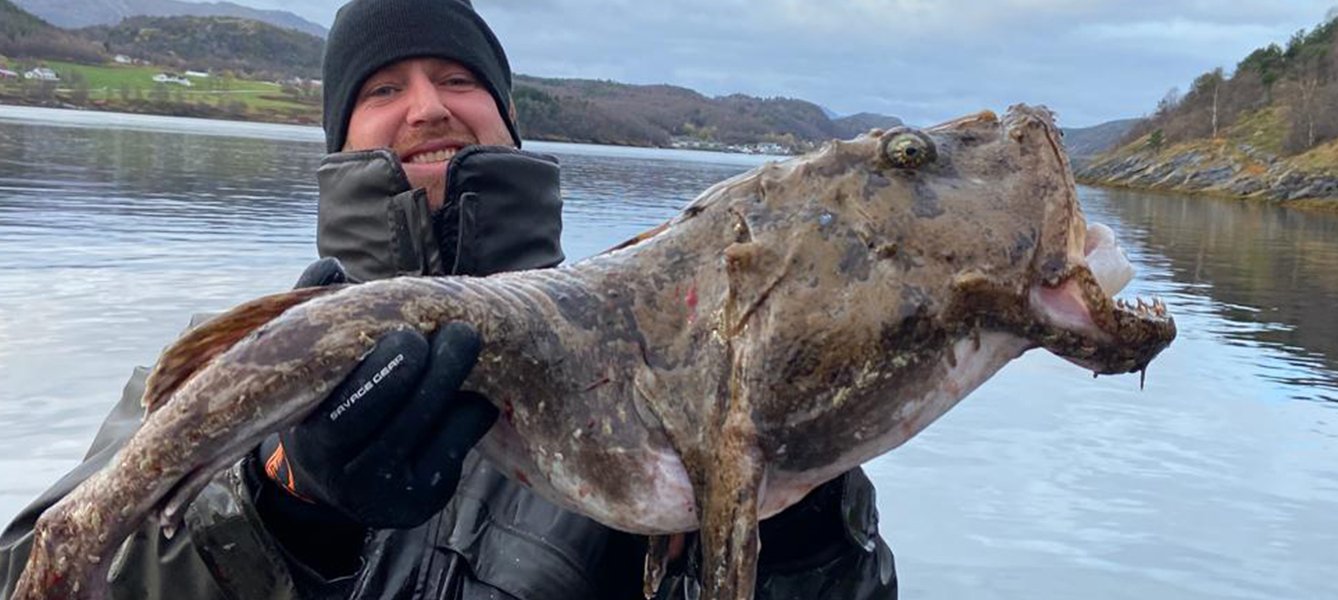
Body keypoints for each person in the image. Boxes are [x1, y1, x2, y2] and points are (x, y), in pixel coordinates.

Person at [0, 0, 898, 598]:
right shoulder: (212, 360)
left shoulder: (670, 353)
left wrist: (806, 510)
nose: (427, 107)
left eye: (459, 80)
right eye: (384, 89)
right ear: (341, 138)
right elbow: (34, 569)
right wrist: (281, 506)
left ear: (509, 119)